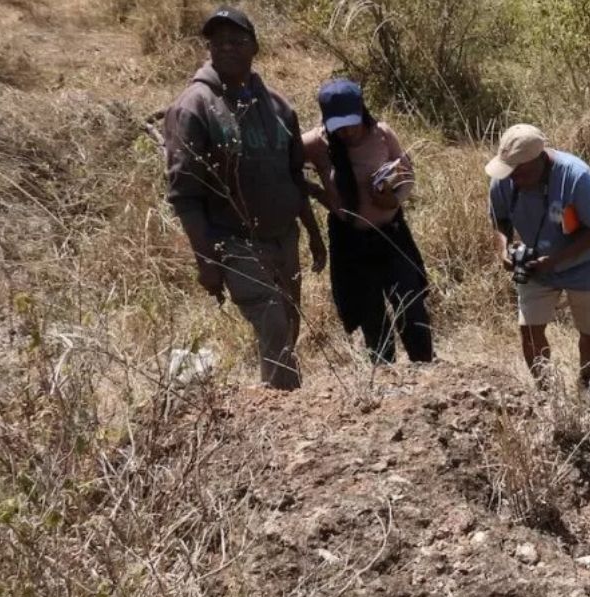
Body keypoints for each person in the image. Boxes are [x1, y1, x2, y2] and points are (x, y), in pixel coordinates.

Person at [163, 5, 325, 390]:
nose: (227, 48)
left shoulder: (277, 106)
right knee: (270, 319)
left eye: (237, 40)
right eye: (218, 42)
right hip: (234, 240)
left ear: (255, 47)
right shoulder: (194, 106)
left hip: (284, 236)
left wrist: (314, 233)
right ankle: (286, 412)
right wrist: (207, 262)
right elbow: (185, 196)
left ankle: (279, 402)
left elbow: (293, 175)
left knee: (288, 321)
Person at [486, 124, 590, 400]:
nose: (511, 177)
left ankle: (587, 379)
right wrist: (504, 249)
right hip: (537, 265)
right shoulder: (504, 177)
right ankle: (545, 392)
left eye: (518, 172)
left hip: (588, 265)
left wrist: (558, 259)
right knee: (529, 330)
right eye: (508, 170)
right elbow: (499, 219)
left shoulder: (576, 177)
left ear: (539, 160)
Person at [302, 79, 434, 364]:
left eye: (351, 122)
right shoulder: (316, 144)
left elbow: (407, 175)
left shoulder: (382, 134)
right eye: (339, 125)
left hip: (392, 233)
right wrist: (317, 193)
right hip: (351, 241)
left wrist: (393, 198)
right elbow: (285, 167)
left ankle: (424, 367)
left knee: (411, 305)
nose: (347, 131)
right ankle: (384, 374)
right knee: (370, 314)